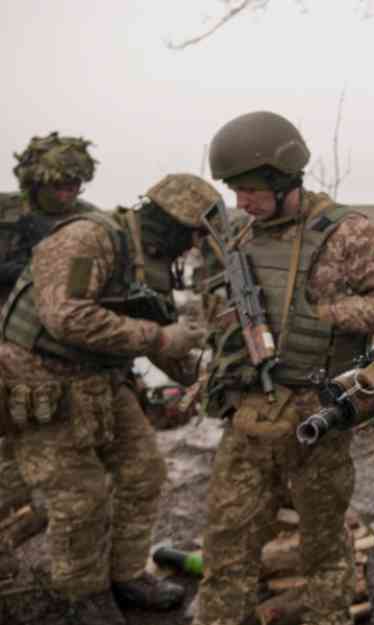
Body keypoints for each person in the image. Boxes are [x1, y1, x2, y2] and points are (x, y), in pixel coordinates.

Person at [193, 110, 374, 625]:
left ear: (285, 179)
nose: (242, 203)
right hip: (251, 416)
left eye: (252, 190)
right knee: (226, 546)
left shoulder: (348, 233)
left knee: (324, 548)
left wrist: (323, 316)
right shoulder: (238, 236)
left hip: (317, 417)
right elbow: (212, 310)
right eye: (235, 191)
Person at [0, 172, 219, 624]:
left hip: (99, 376)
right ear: (170, 220)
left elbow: (162, 339)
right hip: (40, 377)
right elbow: (66, 317)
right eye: (194, 232)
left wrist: (210, 378)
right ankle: (85, 595)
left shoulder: (151, 259)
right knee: (80, 497)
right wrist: (160, 337)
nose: (195, 244)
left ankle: (124, 575)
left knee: (143, 472)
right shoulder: (90, 238)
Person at [0, 132, 99, 581]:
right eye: (58, 185)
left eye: (75, 186)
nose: (67, 194)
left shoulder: (91, 223)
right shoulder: (6, 216)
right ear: (34, 183)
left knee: (67, 471)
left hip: (54, 361)